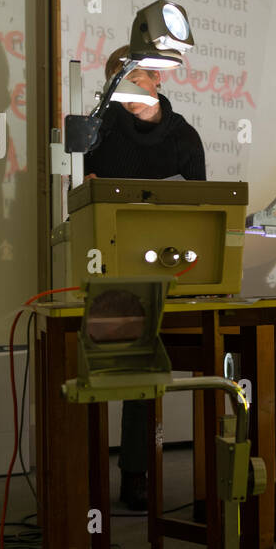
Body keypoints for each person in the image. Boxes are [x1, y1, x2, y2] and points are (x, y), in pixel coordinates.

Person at [84, 46, 206, 508]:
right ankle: (111, 475)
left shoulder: (184, 138)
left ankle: (174, 477)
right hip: (110, 271)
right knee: (116, 357)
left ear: (159, 80)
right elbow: (79, 202)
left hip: (175, 273)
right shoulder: (96, 132)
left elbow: (204, 213)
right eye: (119, 81)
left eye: (137, 79)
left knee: (164, 353)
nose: (128, 89)